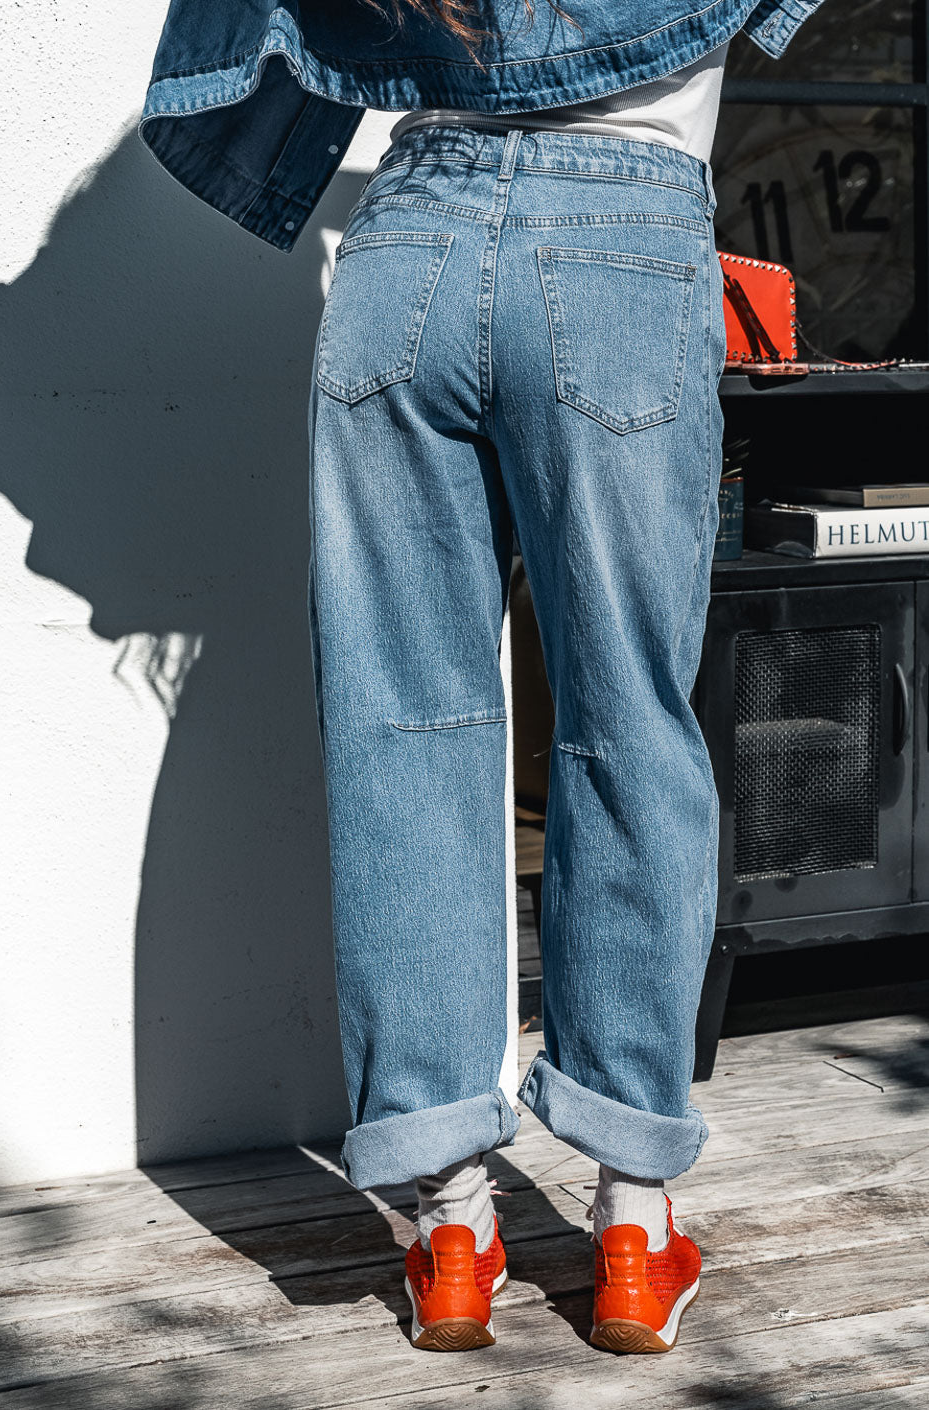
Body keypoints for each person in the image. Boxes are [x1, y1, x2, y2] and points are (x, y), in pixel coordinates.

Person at [140, 0, 826, 1356]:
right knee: (629, 722)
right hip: (623, 237)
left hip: (410, 242)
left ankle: (449, 1229)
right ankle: (633, 1231)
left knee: (403, 732)